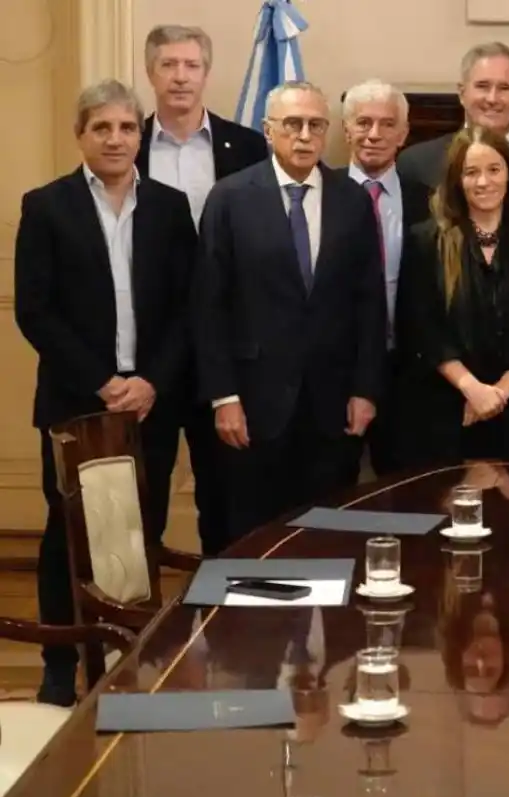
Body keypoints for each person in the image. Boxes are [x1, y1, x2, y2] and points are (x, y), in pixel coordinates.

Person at [14, 80, 195, 704]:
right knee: (68, 533)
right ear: (82, 135)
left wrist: (149, 383)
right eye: (103, 128)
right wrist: (103, 381)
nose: (116, 138)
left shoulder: (171, 209)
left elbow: (187, 309)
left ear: (139, 136)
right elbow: (35, 312)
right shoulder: (46, 206)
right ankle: (60, 664)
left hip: (151, 401)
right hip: (76, 401)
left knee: (139, 530)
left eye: (126, 128)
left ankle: (129, 652)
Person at [192, 81, 387, 544]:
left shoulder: (351, 199)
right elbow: (208, 306)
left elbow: (369, 303)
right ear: (267, 130)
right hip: (254, 404)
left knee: (327, 535)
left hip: (331, 405)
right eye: (292, 124)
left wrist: (366, 390)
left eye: (315, 125)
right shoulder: (230, 198)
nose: (304, 136)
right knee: (254, 536)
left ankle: (323, 620)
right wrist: (223, 397)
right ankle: (252, 619)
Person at [136, 24, 269, 556]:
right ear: (151, 73)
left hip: (228, 356)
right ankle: (143, 630)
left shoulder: (250, 147)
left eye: (191, 65)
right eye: (168, 65)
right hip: (150, 355)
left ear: (207, 74)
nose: (180, 76)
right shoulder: (128, 141)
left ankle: (227, 628)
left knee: (229, 501)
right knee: (143, 503)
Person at [394, 125, 509, 465]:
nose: (483, 182)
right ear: (457, 180)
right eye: (471, 172)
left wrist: (497, 394)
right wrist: (472, 388)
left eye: (494, 169)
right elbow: (421, 330)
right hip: (446, 414)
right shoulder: (426, 241)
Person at [341, 79, 432, 475]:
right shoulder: (317, 197)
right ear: (346, 129)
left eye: (386, 124)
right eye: (363, 122)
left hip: (408, 374)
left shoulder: (431, 201)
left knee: (407, 496)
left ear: (404, 133)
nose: (374, 134)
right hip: (338, 372)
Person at [396, 42, 509, 192]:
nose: (492, 99)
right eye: (483, 86)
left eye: (504, 88)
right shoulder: (417, 164)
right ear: (462, 93)